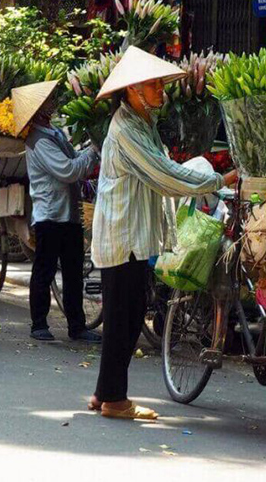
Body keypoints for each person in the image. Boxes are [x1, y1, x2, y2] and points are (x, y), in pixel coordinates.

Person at [89, 46, 238, 420]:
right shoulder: (125, 129)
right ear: (132, 91)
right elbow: (165, 175)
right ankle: (114, 399)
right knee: (125, 316)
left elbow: (167, 167)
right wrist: (218, 179)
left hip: (133, 236)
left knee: (128, 313)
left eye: (159, 84)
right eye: (153, 85)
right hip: (122, 236)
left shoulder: (144, 125)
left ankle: (103, 393)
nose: (161, 91)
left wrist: (203, 176)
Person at [12, 80, 101, 343]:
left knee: (74, 272)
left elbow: (75, 163)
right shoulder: (38, 141)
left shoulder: (55, 133)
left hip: (68, 213)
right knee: (45, 269)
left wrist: (89, 154)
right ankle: (38, 323)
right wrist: (93, 151)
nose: (54, 102)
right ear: (39, 108)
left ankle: (77, 326)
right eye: (49, 99)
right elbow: (68, 170)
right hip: (50, 215)